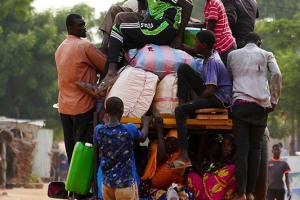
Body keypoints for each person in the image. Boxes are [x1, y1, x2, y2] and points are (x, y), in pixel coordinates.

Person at [95, 0, 193, 95]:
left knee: (117, 29)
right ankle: (104, 80)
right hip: (154, 24)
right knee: (123, 41)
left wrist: (179, 36)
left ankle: (111, 73)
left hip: (164, 26)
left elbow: (188, 6)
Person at [227, 32, 282, 200]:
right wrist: (274, 100)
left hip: (240, 105)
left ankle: (241, 193)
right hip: (260, 107)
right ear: (259, 42)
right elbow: (277, 74)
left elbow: (230, 77)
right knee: (256, 150)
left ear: (244, 41)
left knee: (242, 150)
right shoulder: (266, 54)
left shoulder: (232, 55)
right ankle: (250, 192)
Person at [169, 30, 232, 168]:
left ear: (203, 45)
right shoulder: (208, 53)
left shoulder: (212, 62)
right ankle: (184, 103)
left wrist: (196, 103)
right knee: (184, 68)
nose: (194, 43)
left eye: (196, 42)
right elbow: (197, 51)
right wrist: (188, 49)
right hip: (210, 91)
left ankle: (184, 156)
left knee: (180, 111)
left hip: (218, 98)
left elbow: (210, 90)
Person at [55, 13, 106, 164]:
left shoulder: (60, 48)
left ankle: (73, 185)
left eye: (84, 24)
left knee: (71, 150)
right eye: (81, 25)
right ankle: (82, 186)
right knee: (83, 149)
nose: (85, 28)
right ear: (70, 28)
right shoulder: (85, 46)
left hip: (64, 106)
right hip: (82, 106)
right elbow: (106, 67)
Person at [93, 96, 152, 200]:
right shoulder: (129, 128)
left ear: (106, 111)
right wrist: (146, 123)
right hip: (125, 185)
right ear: (122, 110)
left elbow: (97, 148)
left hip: (106, 184)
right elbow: (143, 138)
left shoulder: (98, 130)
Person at [186, 135, 236, 199]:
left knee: (192, 175)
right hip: (212, 189)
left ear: (234, 148)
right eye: (223, 145)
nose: (225, 148)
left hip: (218, 194)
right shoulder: (219, 162)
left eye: (229, 146)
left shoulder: (232, 167)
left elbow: (212, 180)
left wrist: (194, 163)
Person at [141, 118, 185, 189]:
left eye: (174, 145)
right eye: (168, 143)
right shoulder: (155, 144)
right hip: (152, 180)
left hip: (166, 184)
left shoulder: (176, 153)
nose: (171, 146)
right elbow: (161, 157)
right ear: (164, 140)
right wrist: (159, 131)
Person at [195, 0, 236, 66]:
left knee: (220, 73)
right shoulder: (210, 3)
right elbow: (207, 24)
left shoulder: (213, 3)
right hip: (223, 45)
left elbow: (209, 32)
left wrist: (195, 50)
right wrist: (190, 24)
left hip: (224, 46)